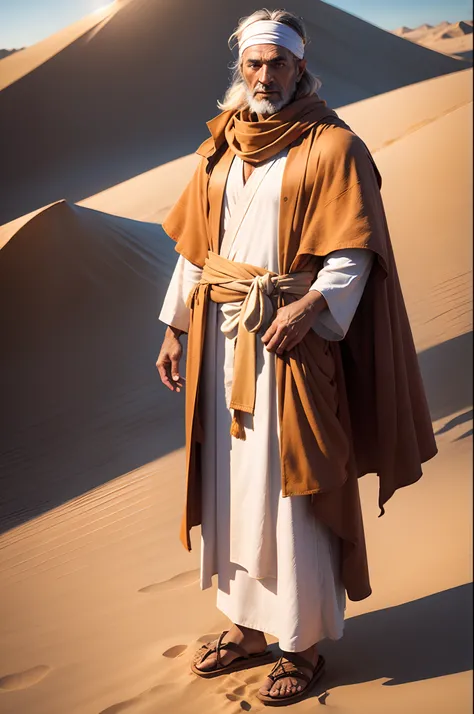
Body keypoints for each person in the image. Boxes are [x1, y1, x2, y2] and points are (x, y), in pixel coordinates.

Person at [156, 8, 437, 706]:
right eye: (252, 64)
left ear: (300, 67)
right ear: (240, 69)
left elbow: (355, 251)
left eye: (276, 63)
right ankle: (249, 629)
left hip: (290, 345)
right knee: (231, 494)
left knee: (294, 492)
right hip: (224, 349)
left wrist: (310, 307)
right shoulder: (222, 145)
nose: (263, 76)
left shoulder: (333, 145)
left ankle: (301, 643)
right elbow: (198, 246)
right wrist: (173, 327)